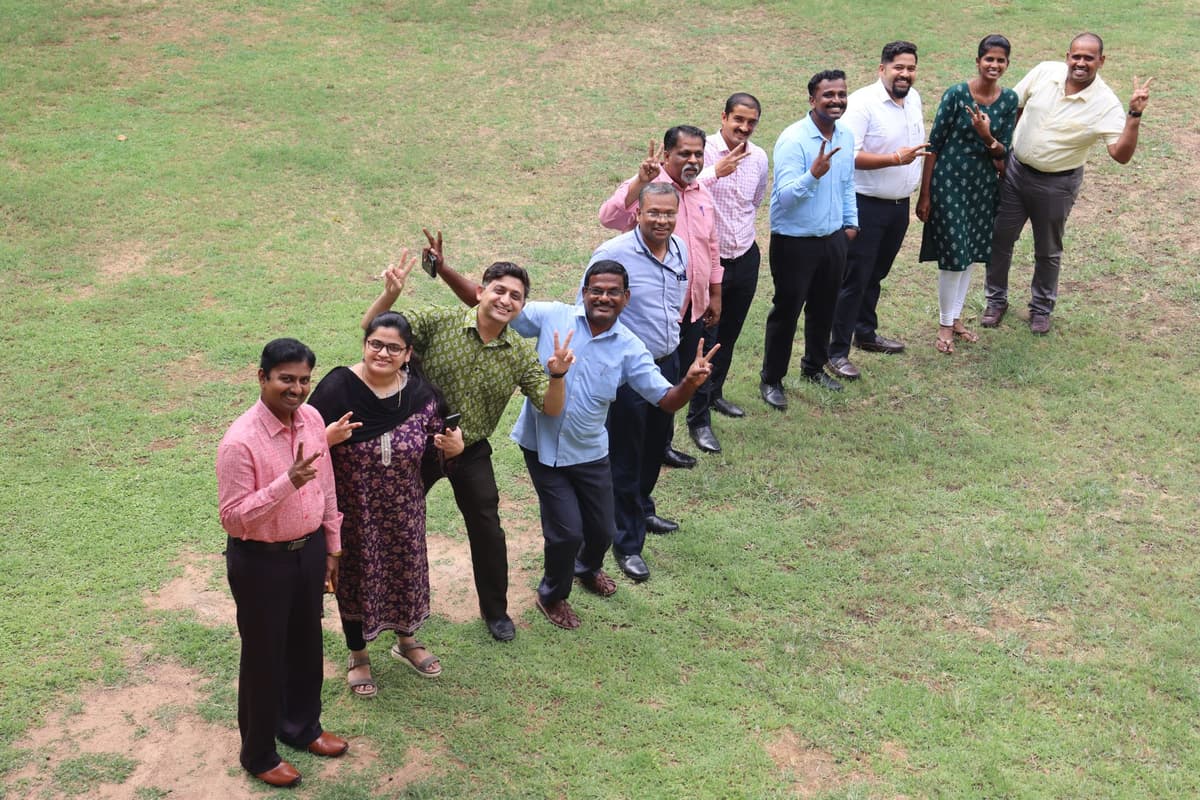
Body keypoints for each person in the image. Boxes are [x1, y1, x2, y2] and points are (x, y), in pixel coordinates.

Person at [426, 249, 718, 621]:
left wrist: (690, 383)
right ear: (583, 291)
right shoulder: (553, 316)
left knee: (602, 530)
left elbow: (666, 400)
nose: (604, 297)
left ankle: (587, 568)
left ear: (626, 299)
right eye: (596, 289)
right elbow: (487, 300)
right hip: (542, 447)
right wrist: (445, 268)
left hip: (590, 452)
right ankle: (552, 595)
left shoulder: (630, 348)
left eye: (614, 292)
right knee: (566, 532)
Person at [360, 252, 572, 642]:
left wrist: (556, 375)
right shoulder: (438, 321)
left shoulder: (521, 353)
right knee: (394, 524)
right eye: (499, 290)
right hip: (415, 447)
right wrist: (389, 295)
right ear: (480, 291)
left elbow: (550, 405)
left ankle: (496, 612)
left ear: (522, 306)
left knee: (488, 529)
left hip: (470, 449)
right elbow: (374, 331)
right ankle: (383, 608)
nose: (506, 300)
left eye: (516, 296)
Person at [308, 311, 465, 697]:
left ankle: (406, 641)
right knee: (356, 578)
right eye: (375, 344)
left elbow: (436, 449)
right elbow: (300, 444)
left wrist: (453, 450)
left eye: (393, 347)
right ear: (364, 345)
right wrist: (325, 440)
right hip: (353, 511)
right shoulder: (337, 388)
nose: (383, 352)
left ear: (408, 353)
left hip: (404, 508)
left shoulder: (419, 396)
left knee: (404, 571)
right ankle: (358, 655)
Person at [216, 338, 349, 788]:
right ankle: (257, 752)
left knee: (306, 644)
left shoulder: (311, 419)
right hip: (261, 561)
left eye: (304, 380)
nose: (296, 389)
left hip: (308, 552)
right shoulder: (240, 442)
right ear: (262, 378)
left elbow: (326, 483)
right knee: (263, 655)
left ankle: (301, 728)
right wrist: (286, 482)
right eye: (286, 379)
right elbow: (234, 518)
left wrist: (331, 546)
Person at [982, 32, 1152, 334]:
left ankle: (1041, 309)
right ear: (1067, 56)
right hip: (1015, 172)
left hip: (1057, 185)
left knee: (1047, 250)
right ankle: (996, 301)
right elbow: (1015, 105)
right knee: (1000, 238)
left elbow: (1120, 155)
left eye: (1089, 58)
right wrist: (1003, 148)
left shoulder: (1106, 103)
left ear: (1101, 60)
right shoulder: (1045, 71)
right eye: (1076, 56)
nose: (1081, 63)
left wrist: (1134, 115)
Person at [600, 125, 726, 458]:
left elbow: (711, 247)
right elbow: (609, 217)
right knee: (641, 384)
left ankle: (662, 444)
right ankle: (634, 447)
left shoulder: (701, 194)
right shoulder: (650, 191)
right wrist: (640, 181)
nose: (693, 160)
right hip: (652, 315)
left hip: (692, 309)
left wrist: (714, 293)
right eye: (685, 153)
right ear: (667, 155)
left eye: (699, 154)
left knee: (677, 377)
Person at [591, 182, 690, 581]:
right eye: (654, 213)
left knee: (656, 445)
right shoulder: (614, 255)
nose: (662, 220)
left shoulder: (679, 248)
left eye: (669, 213)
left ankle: (642, 510)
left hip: (668, 362)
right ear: (639, 213)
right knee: (627, 458)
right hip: (629, 372)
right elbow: (591, 306)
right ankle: (626, 543)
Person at [827, 41, 930, 381]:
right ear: (882, 68)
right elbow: (846, 154)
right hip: (865, 204)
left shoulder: (913, 99)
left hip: (897, 207)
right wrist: (892, 159)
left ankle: (865, 333)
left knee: (876, 273)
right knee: (854, 279)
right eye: (898, 67)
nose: (905, 74)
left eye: (910, 68)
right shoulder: (861, 104)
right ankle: (835, 351)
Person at [760, 70, 858, 410]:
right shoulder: (794, 140)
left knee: (824, 307)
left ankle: (814, 368)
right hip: (794, 242)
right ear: (812, 99)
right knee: (787, 310)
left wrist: (851, 223)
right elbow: (786, 198)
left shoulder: (845, 134)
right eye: (828, 94)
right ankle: (772, 379)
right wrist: (813, 176)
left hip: (833, 239)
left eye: (841, 94)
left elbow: (847, 183)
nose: (836, 100)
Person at [916, 35, 1019, 353]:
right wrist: (925, 194)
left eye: (1000, 60)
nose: (994, 65)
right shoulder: (957, 94)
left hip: (982, 187)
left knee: (971, 253)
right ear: (978, 61)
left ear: (1007, 64)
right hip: (949, 185)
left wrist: (986, 135)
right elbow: (934, 145)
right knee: (953, 255)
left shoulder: (1010, 100)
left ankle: (956, 318)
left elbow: (1003, 149)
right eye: (989, 59)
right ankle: (945, 325)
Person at [698, 92, 770, 422]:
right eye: (738, 119)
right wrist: (715, 171)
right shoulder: (702, 151)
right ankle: (696, 409)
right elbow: (680, 191)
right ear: (724, 116)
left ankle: (715, 393)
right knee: (704, 337)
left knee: (729, 333)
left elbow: (754, 202)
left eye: (751, 122)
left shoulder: (758, 157)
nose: (744, 127)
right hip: (708, 262)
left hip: (745, 256)